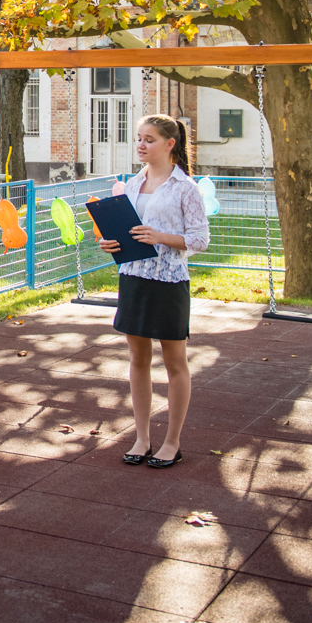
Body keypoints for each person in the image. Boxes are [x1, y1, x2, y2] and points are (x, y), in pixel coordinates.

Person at [99, 113, 210, 470]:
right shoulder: (132, 184)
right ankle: (142, 437)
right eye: (139, 138)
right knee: (138, 360)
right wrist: (109, 242)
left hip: (169, 281)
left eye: (148, 139)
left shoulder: (185, 188)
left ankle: (172, 442)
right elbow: (129, 230)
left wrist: (160, 236)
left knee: (175, 363)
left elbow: (200, 239)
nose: (141, 145)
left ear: (169, 144)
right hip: (133, 276)